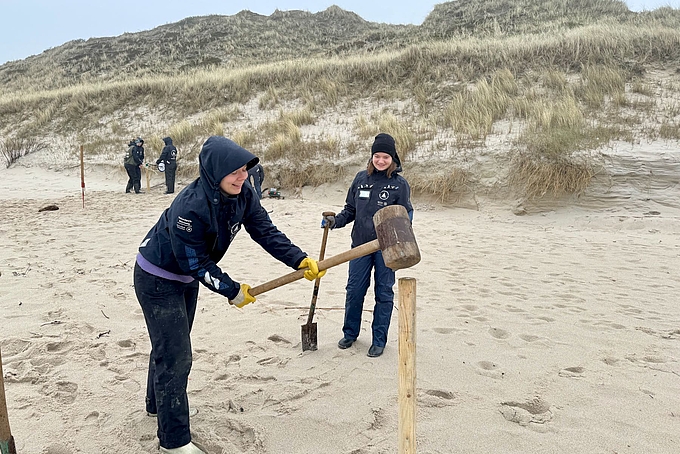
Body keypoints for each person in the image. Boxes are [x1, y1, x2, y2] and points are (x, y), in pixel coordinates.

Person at [133, 135, 325, 454]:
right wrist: (231, 290)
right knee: (177, 355)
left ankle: (161, 408)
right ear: (215, 172)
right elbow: (194, 261)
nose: (243, 176)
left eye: (245, 170)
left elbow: (264, 230)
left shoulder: (243, 194)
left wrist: (298, 258)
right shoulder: (190, 207)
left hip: (185, 277)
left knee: (169, 346)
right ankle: (173, 441)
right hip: (157, 278)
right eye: (235, 171)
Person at [322, 133, 413, 358]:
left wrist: (403, 233)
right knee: (354, 290)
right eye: (376, 156)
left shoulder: (399, 185)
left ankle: (379, 340)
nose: (380, 161)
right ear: (371, 156)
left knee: (383, 293)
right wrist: (335, 222)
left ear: (393, 158)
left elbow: (406, 213)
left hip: (387, 249)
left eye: (385, 157)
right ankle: (350, 333)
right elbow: (350, 210)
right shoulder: (361, 178)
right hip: (360, 246)